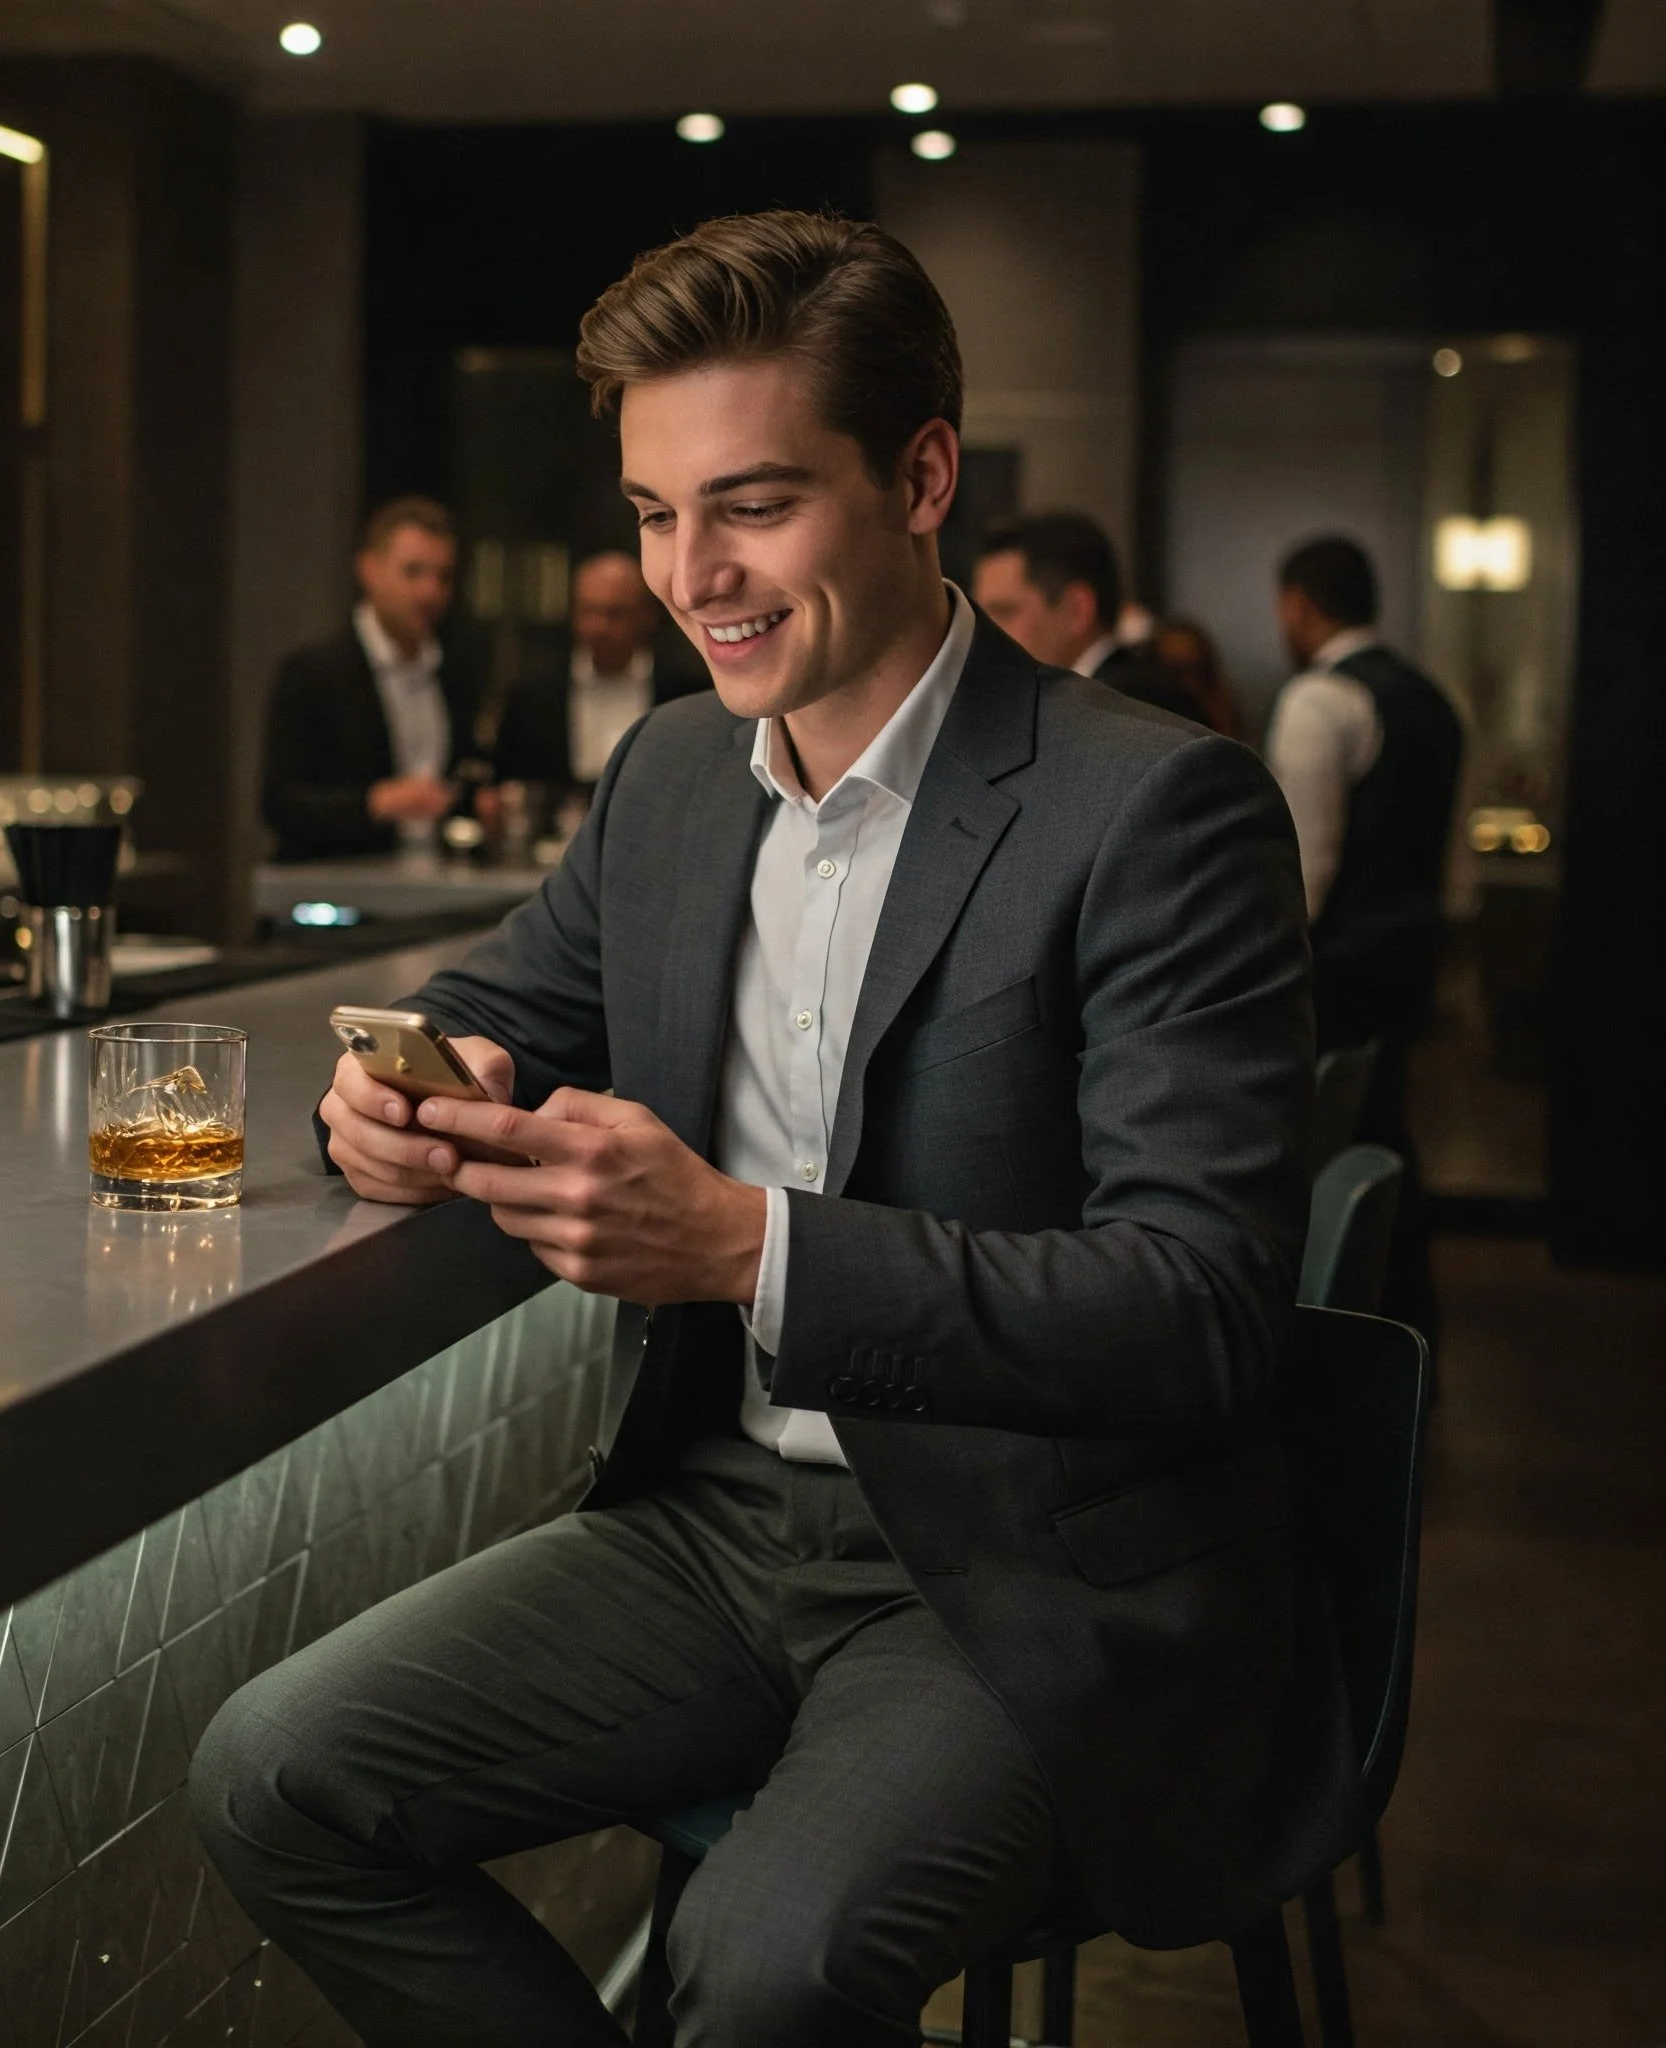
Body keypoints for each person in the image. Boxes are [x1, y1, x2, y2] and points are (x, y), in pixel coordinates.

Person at [194, 211, 1353, 2048]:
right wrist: (395, 1103)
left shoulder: (1152, 808)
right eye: (652, 512)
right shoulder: (667, 776)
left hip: (1011, 1570)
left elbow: (1196, 1309)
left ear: (920, 475)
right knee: (274, 1772)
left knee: (758, 1964)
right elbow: (495, 1017)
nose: (690, 573)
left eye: (749, 503)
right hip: (714, 1528)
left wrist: (748, 1243)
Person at [1267, 534, 1464, 1341]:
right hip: (1409, 955)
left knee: (1333, 1151)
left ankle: (1348, 1343)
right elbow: (1450, 861)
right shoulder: (1435, 699)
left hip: (1339, 970)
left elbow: (1303, 871)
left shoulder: (1319, 700)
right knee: (1384, 1140)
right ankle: (1408, 1336)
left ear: (1299, 606)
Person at [261, 497, 480, 860]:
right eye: (412, 572)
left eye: (443, 576)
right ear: (369, 569)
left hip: (431, 883)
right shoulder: (313, 673)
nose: (430, 591)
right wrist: (377, 803)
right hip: (335, 885)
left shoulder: (454, 673)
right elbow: (279, 804)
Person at [493, 551, 706, 788]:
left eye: (614, 614)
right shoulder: (532, 695)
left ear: (646, 616)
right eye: (589, 612)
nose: (599, 627)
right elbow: (505, 779)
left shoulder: (686, 693)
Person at [971, 511, 1200, 721]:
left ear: (1077, 610)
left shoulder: (1129, 705)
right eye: (978, 613)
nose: (981, 630)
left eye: (1004, 611)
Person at [1150, 614, 1244, 739]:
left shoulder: (1223, 708)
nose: (1188, 684)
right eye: (1177, 673)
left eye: (1195, 671)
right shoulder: (1155, 712)